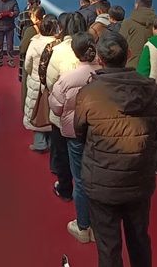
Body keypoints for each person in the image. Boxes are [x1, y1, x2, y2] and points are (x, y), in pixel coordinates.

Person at [74, 33, 157, 267]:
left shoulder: (90, 92)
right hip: (139, 175)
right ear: (129, 54)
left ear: (100, 60)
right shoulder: (151, 89)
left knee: (108, 245)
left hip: (102, 178)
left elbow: (79, 132)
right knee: (139, 238)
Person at [49, 32, 101, 244]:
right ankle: (98, 227)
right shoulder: (104, 74)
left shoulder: (67, 79)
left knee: (79, 180)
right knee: (99, 178)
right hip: (102, 133)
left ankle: (83, 226)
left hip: (76, 133)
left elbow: (56, 107)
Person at [47, 12, 88, 201]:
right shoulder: (93, 45)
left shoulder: (59, 50)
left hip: (63, 111)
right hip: (89, 111)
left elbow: (51, 81)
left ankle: (65, 188)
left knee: (62, 153)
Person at [23, 15, 59, 152]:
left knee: (36, 109)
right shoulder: (58, 43)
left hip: (36, 80)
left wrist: (32, 74)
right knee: (51, 110)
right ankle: (51, 142)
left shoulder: (35, 42)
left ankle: (39, 143)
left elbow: (27, 63)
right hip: (53, 81)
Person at [19, 5, 45, 110]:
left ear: (35, 17)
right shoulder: (49, 26)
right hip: (46, 63)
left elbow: (22, 48)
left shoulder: (31, 30)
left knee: (28, 89)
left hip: (33, 62)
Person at [120, 0, 156, 67]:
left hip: (131, 66)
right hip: (152, 66)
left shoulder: (127, 23)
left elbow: (120, 44)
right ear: (151, 6)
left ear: (136, 5)